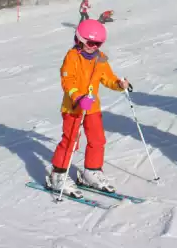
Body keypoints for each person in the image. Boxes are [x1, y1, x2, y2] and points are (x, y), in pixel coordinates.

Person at [46, 20, 130, 197]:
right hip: (74, 107)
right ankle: (58, 175)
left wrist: (119, 84)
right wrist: (78, 97)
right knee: (71, 141)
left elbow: (107, 77)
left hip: (92, 108)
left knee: (97, 139)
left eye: (98, 44)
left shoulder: (101, 57)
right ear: (79, 40)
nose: (94, 47)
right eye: (90, 43)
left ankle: (91, 172)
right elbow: (67, 81)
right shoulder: (72, 56)